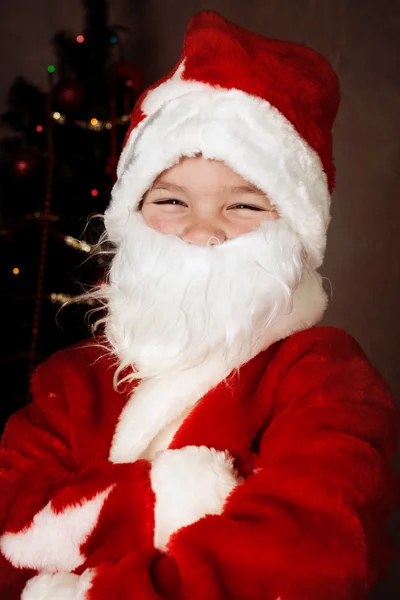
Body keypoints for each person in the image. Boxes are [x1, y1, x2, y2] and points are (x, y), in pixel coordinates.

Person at [0, 10, 398, 600]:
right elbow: (9, 528)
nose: (202, 234)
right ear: (131, 218)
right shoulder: (73, 377)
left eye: (242, 206)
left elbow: (306, 551)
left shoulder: (325, 377)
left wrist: (88, 578)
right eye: (172, 201)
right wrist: (162, 499)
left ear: (295, 232)